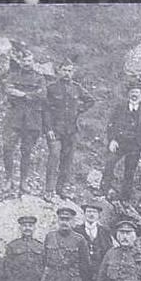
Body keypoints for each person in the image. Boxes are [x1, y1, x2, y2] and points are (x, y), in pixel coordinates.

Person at [43, 58, 95, 195]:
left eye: (70, 71)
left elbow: (90, 100)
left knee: (67, 161)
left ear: (73, 72)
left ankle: (61, 189)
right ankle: (49, 190)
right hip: (55, 130)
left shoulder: (77, 88)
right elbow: (45, 110)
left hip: (71, 130)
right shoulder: (51, 88)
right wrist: (48, 129)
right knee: (54, 157)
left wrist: (79, 110)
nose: (67, 73)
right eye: (64, 70)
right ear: (59, 71)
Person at [2, 44, 46, 195]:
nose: (26, 63)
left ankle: (23, 181)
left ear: (33, 61)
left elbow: (42, 95)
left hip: (31, 120)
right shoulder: (13, 75)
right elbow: (8, 91)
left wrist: (21, 94)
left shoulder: (39, 78)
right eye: (24, 61)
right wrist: (28, 94)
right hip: (14, 118)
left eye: (29, 60)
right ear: (20, 61)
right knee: (8, 148)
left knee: (26, 151)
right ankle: (8, 179)